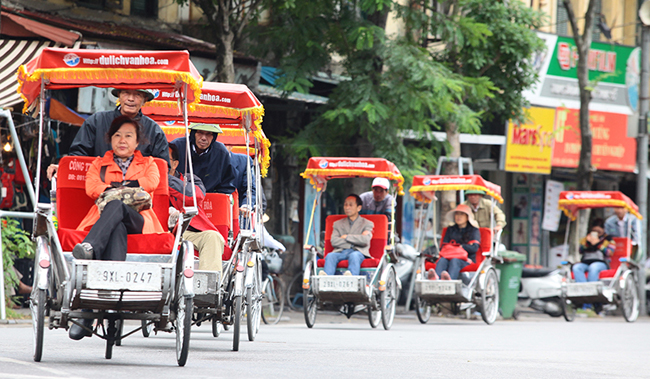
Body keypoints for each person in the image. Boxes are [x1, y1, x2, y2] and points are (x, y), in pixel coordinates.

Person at [69, 115, 164, 340]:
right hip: (108, 220)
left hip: (139, 219)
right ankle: (108, 301)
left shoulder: (148, 163)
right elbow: (92, 187)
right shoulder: (98, 163)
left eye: (128, 136)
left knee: (117, 206)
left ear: (137, 142)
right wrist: (127, 189)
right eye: (117, 135)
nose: (122, 140)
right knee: (117, 224)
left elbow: (151, 183)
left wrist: (116, 188)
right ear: (110, 139)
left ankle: (90, 249)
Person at [47, 88, 169, 179]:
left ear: (144, 100)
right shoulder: (96, 121)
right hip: (98, 188)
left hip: (139, 194)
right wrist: (64, 169)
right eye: (126, 93)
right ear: (119, 96)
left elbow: (162, 169)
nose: (131, 99)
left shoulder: (154, 130)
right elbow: (78, 156)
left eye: (137, 95)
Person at [168, 144, 224, 272]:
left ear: (175, 164)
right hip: (155, 230)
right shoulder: (147, 178)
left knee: (213, 237)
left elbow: (195, 196)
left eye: (165, 158)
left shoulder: (190, 180)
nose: (160, 161)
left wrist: (165, 179)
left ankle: (207, 288)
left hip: (186, 232)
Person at [171, 123, 236, 194]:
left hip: (209, 199)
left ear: (214, 137)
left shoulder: (221, 152)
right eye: (200, 132)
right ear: (193, 134)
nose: (204, 138)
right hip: (178, 196)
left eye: (209, 134)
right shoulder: (177, 146)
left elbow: (226, 184)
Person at [321, 194, 374, 276]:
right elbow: (334, 241)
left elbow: (365, 241)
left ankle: (351, 277)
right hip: (341, 251)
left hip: (358, 251)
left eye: (350, 205)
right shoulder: (337, 224)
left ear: (359, 208)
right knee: (330, 256)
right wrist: (355, 241)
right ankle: (326, 278)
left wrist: (346, 237)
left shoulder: (367, 223)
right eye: (345, 205)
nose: (347, 207)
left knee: (354, 255)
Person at [428, 204, 480, 281]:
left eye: (462, 214)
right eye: (457, 214)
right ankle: (436, 279)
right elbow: (443, 246)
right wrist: (459, 247)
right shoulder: (450, 229)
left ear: (467, 217)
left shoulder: (474, 230)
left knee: (454, 261)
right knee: (442, 260)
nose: (459, 216)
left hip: (466, 259)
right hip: (449, 256)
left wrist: (461, 247)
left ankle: (450, 281)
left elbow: (474, 248)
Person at [573, 218, 616, 283]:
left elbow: (609, 253)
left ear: (603, 230)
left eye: (599, 232)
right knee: (576, 267)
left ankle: (591, 288)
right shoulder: (586, 239)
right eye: (594, 231)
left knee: (593, 267)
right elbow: (580, 251)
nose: (597, 233)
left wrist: (598, 244)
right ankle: (583, 287)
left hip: (601, 263)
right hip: (586, 263)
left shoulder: (608, 240)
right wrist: (587, 243)